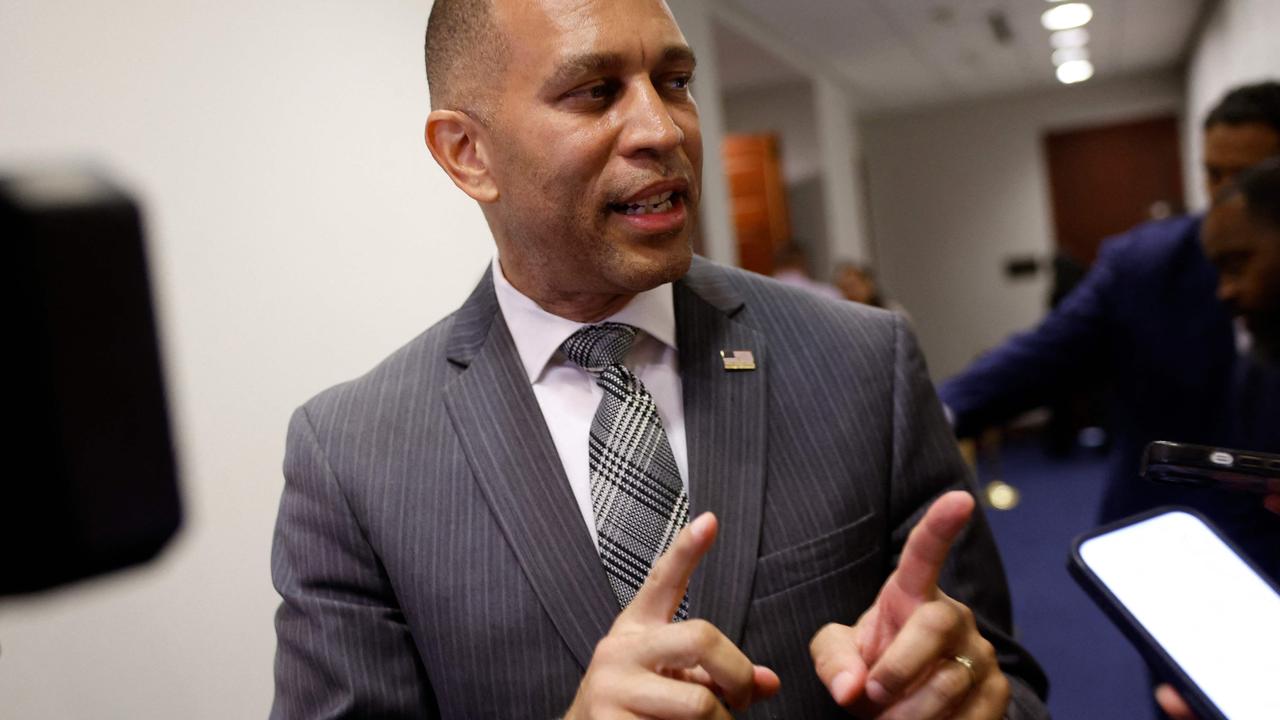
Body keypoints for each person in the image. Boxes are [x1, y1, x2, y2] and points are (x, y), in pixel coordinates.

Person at [269, 1, 1049, 717]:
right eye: (596, 92)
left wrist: (969, 697)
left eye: (674, 81)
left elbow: (1008, 682)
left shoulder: (862, 363)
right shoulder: (351, 462)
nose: (664, 129)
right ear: (467, 152)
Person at [938, 81, 1280, 579]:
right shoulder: (1144, 266)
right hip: (1180, 546)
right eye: (1213, 174)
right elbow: (1042, 354)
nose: (1226, 193)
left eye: (1246, 176)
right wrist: (925, 419)